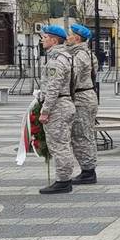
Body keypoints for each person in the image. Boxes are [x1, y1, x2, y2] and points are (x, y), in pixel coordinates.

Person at [37, 24, 79, 194]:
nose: (42, 40)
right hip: (64, 103)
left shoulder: (56, 61)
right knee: (63, 144)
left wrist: (45, 111)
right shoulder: (66, 58)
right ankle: (64, 179)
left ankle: (63, 181)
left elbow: (54, 88)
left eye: (45, 37)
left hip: (58, 106)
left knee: (59, 145)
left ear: (54, 40)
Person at [65, 23, 99, 186]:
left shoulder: (79, 56)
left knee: (81, 135)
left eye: (70, 35)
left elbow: (73, 80)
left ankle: (88, 172)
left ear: (77, 38)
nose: (67, 37)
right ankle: (88, 169)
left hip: (81, 98)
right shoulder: (88, 53)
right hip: (88, 95)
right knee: (87, 134)